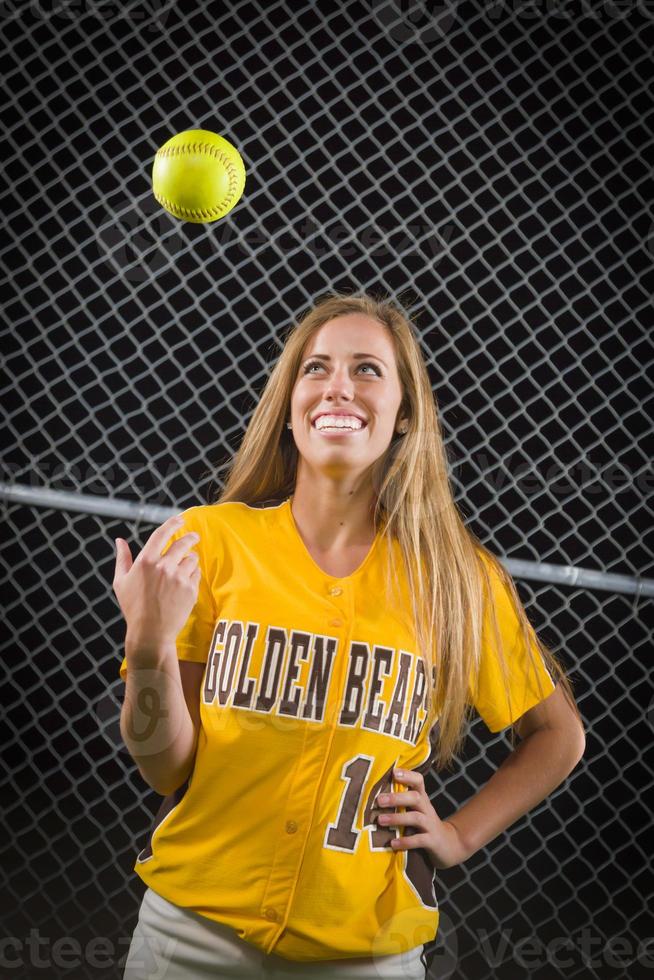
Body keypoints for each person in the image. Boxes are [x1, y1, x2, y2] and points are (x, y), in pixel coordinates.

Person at [112, 291, 585, 980]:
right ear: (290, 405)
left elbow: (558, 734)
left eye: (368, 369)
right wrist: (148, 644)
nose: (339, 385)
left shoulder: (456, 578)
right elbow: (165, 769)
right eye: (316, 368)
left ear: (403, 415)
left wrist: (456, 835)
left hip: (367, 952)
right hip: (191, 935)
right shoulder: (207, 542)